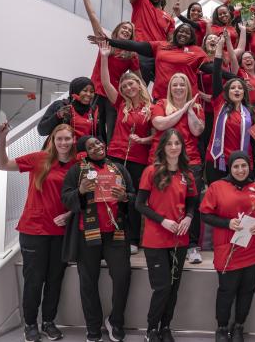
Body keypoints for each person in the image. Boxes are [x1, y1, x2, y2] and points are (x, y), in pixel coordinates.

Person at [0, 123, 76, 342]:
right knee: (34, 280)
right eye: (59, 139)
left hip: (61, 232)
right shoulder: (39, 158)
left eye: (67, 139)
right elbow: (3, 164)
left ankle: (48, 322)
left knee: (54, 279)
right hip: (34, 230)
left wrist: (69, 215)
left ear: (73, 140)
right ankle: (30, 324)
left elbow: (82, 198)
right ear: (52, 140)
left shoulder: (78, 165)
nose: (63, 143)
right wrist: (2, 138)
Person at [61, 136, 134, 342]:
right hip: (88, 234)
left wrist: (125, 197)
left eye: (99, 143)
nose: (97, 147)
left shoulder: (119, 168)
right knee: (88, 282)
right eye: (91, 146)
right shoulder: (76, 171)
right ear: (84, 151)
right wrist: (81, 191)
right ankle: (93, 327)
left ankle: (115, 321)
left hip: (116, 233)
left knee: (122, 277)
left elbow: (135, 197)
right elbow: (66, 198)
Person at [136, 129, 198, 342]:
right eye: (169, 143)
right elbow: (139, 204)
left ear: (182, 147)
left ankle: (165, 327)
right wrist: (163, 220)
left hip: (180, 239)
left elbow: (192, 202)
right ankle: (151, 329)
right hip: (156, 239)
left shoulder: (187, 174)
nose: (173, 147)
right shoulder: (150, 171)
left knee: (173, 287)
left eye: (177, 143)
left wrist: (189, 217)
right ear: (162, 147)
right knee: (162, 286)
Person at [200, 151, 255, 342]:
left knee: (247, 290)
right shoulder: (217, 187)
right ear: (230, 167)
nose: (240, 170)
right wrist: (227, 223)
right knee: (226, 290)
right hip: (227, 250)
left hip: (253, 250)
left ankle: (238, 326)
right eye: (236, 166)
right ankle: (221, 328)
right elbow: (205, 215)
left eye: (244, 166)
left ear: (249, 167)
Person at [99, 41, 154, 254]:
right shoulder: (120, 103)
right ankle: (112, 236)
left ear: (139, 85)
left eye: (132, 84)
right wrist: (105, 57)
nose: (128, 88)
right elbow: (105, 84)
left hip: (138, 159)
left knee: (132, 199)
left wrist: (142, 141)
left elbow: (155, 136)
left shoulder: (152, 107)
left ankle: (132, 240)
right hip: (115, 156)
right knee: (112, 196)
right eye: (125, 86)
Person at [149, 73, 205, 264]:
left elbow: (198, 130)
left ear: (188, 88)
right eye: (175, 85)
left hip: (191, 162)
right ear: (170, 87)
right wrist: (182, 110)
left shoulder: (196, 106)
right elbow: (160, 123)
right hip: (164, 162)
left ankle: (192, 246)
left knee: (192, 204)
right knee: (164, 203)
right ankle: (165, 242)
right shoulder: (161, 104)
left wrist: (189, 109)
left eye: (183, 85)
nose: (179, 88)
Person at [75, 0, 140, 143]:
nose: (126, 31)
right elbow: (93, 16)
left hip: (114, 95)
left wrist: (145, 98)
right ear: (117, 31)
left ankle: (111, 160)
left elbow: (139, 79)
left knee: (112, 128)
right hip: (96, 91)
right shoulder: (106, 43)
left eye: (129, 31)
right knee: (94, 126)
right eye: (124, 28)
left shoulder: (131, 54)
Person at [92, 23, 206, 101]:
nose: (183, 34)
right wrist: (110, 42)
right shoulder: (162, 45)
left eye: (187, 33)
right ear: (176, 33)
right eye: (181, 31)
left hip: (185, 100)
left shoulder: (197, 51)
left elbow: (210, 68)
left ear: (192, 37)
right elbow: (136, 45)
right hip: (161, 99)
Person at [205, 53, 255, 184]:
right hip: (218, 161)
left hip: (242, 164)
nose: (237, 90)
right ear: (226, 92)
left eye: (240, 88)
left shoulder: (251, 112)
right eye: (233, 88)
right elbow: (216, 74)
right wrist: (218, 52)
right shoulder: (219, 104)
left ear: (244, 92)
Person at [38, 77, 103, 140]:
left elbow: (98, 135)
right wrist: (58, 115)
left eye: (92, 92)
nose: (89, 94)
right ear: (75, 91)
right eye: (85, 90)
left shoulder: (93, 111)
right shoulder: (60, 105)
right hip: (63, 148)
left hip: (85, 150)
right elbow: (42, 131)